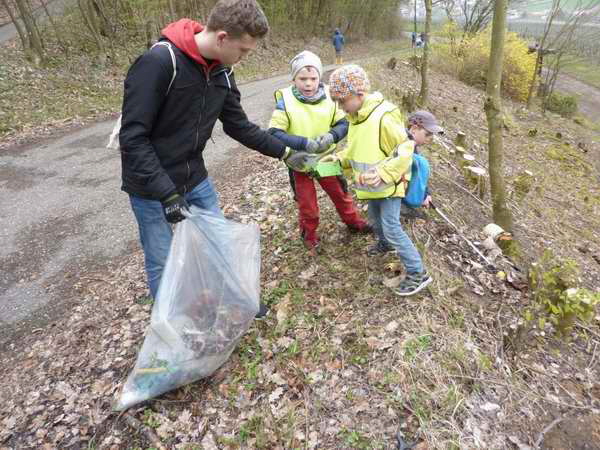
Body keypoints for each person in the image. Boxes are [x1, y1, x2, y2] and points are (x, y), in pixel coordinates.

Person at [118, 0, 305, 313]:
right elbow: (132, 138)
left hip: (195, 179)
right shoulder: (159, 63)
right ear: (222, 38)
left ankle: (240, 301)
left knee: (220, 243)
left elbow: (238, 126)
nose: (244, 58)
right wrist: (166, 193)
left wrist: (286, 152)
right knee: (162, 261)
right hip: (150, 188)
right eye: (243, 50)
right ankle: (172, 333)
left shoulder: (223, 72)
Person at [325, 65, 432, 296]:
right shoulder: (356, 118)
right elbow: (356, 150)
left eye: (342, 100)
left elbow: (404, 150)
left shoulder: (384, 115)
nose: (339, 106)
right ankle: (383, 243)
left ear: (359, 94)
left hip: (389, 185)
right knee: (375, 217)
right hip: (370, 188)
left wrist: (384, 174)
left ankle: (418, 272)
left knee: (392, 227)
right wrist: (340, 158)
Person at [267, 50, 370, 254]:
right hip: (300, 163)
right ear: (293, 78)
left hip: (327, 159)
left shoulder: (331, 97)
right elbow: (274, 133)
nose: (308, 84)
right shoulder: (285, 100)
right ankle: (310, 235)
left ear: (319, 77)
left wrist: (332, 136)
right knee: (307, 204)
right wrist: (303, 142)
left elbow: (344, 123)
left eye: (313, 78)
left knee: (341, 194)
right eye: (302, 78)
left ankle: (354, 222)